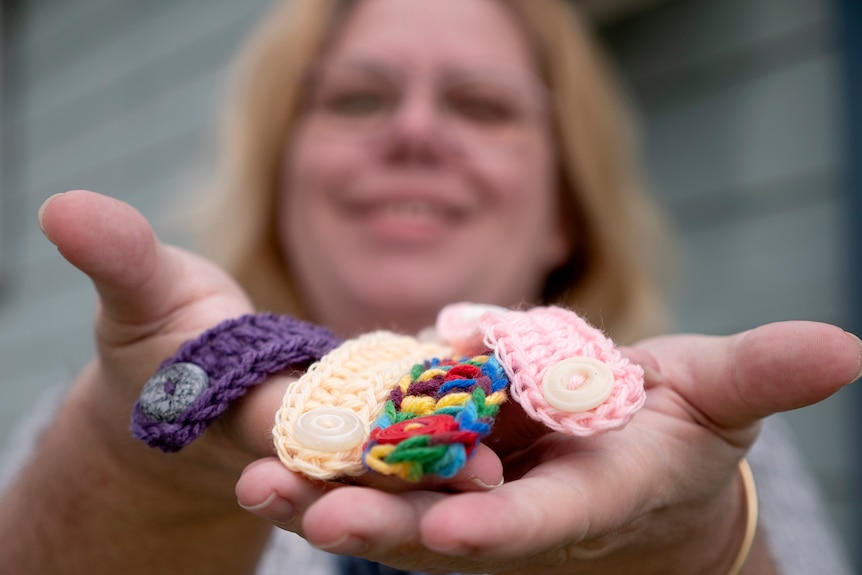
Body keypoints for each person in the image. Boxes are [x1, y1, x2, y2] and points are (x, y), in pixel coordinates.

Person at [0, 0, 858, 573]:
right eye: (359, 100)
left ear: (564, 205)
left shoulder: (706, 441)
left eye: (482, 105)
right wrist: (135, 467)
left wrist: (700, 544)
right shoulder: (106, 403)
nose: (414, 132)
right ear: (280, 175)